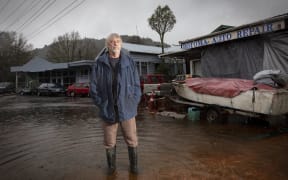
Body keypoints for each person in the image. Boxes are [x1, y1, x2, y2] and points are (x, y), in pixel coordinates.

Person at [90, 33, 142, 175]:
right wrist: (102, 104)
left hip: (127, 109)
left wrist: (134, 102)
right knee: (109, 142)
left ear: (121, 44)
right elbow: (93, 88)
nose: (115, 44)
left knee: (132, 140)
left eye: (117, 41)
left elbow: (137, 85)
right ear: (108, 45)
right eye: (112, 42)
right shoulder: (99, 63)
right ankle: (112, 170)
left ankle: (134, 168)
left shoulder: (129, 62)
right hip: (108, 110)